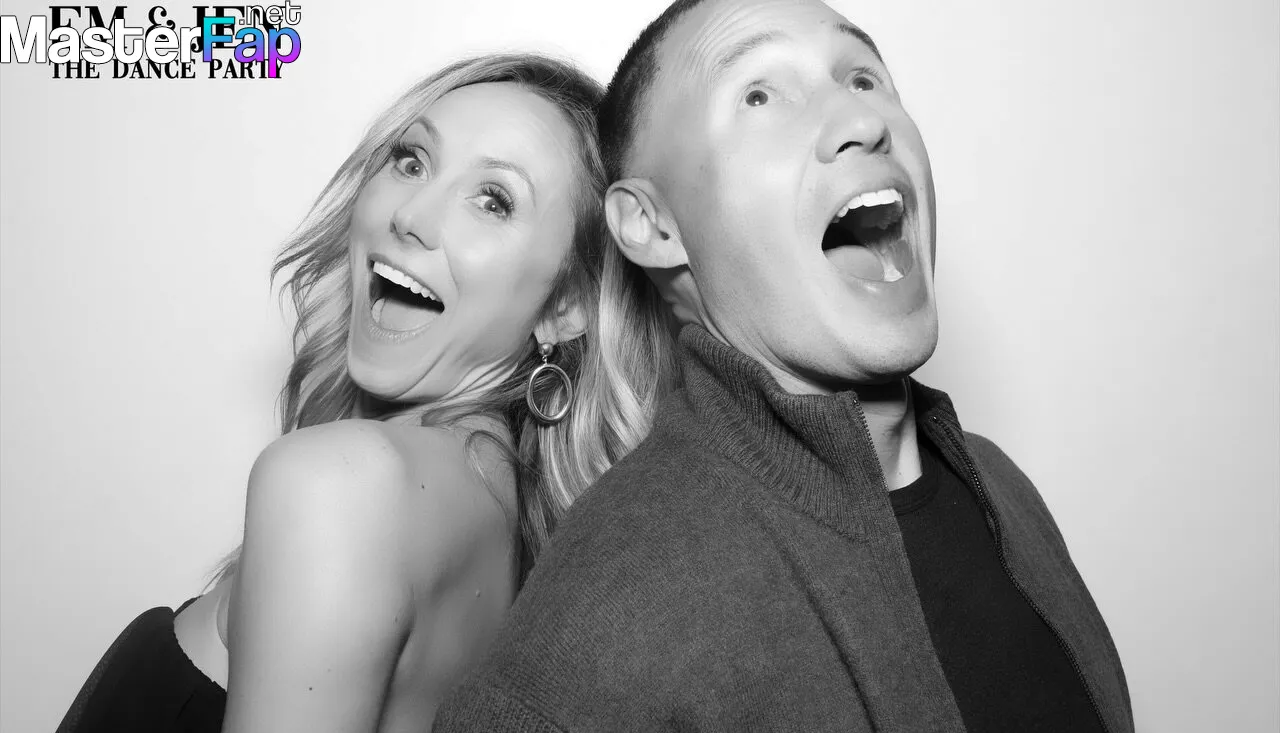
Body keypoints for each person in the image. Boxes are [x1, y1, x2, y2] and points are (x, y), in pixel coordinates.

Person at [432, 1, 1134, 731]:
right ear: (651, 224)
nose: (861, 120)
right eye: (760, 96)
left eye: (863, 79)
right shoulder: (601, 624)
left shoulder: (1004, 491)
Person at [55, 53, 673, 733]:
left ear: (565, 306)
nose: (411, 215)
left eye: (493, 200)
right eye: (412, 161)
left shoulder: (337, 484)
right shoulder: (503, 522)